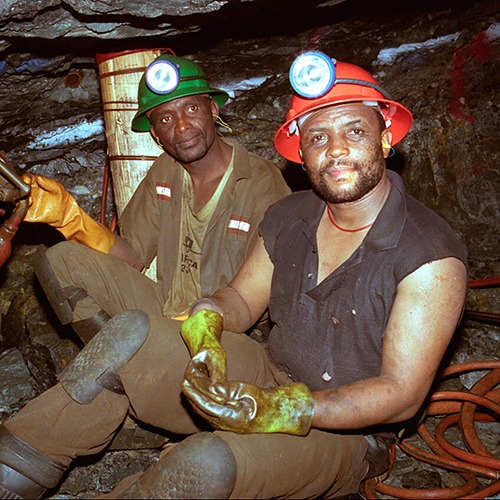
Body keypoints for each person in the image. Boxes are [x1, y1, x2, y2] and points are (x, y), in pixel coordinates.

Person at [0, 53, 467, 500]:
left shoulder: (429, 255)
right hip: (268, 373)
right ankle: (12, 469)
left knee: (206, 464)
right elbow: (241, 301)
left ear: (386, 136)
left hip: (349, 432)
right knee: (128, 333)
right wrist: (207, 320)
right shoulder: (290, 215)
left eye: (354, 130)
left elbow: (401, 396)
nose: (337, 148)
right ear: (300, 150)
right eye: (318, 136)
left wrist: (283, 409)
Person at [18, 53, 290, 343]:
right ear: (155, 132)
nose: (182, 126)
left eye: (192, 108)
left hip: (228, 330)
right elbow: (133, 256)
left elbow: (275, 286)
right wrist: (68, 217)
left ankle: (134, 355)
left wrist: (204, 318)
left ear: (212, 108)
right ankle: (119, 355)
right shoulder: (165, 172)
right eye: (166, 118)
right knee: (61, 259)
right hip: (164, 313)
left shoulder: (260, 180)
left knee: (152, 350)